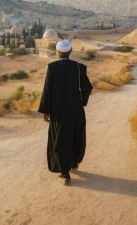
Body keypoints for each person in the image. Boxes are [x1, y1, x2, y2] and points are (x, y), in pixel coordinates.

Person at [38, 40, 93, 185]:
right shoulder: (78, 68)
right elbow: (87, 87)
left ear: (58, 52)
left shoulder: (52, 68)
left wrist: (46, 111)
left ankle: (64, 173)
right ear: (70, 52)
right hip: (76, 111)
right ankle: (74, 163)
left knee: (61, 140)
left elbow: (47, 91)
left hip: (59, 113)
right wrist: (81, 102)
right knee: (76, 136)